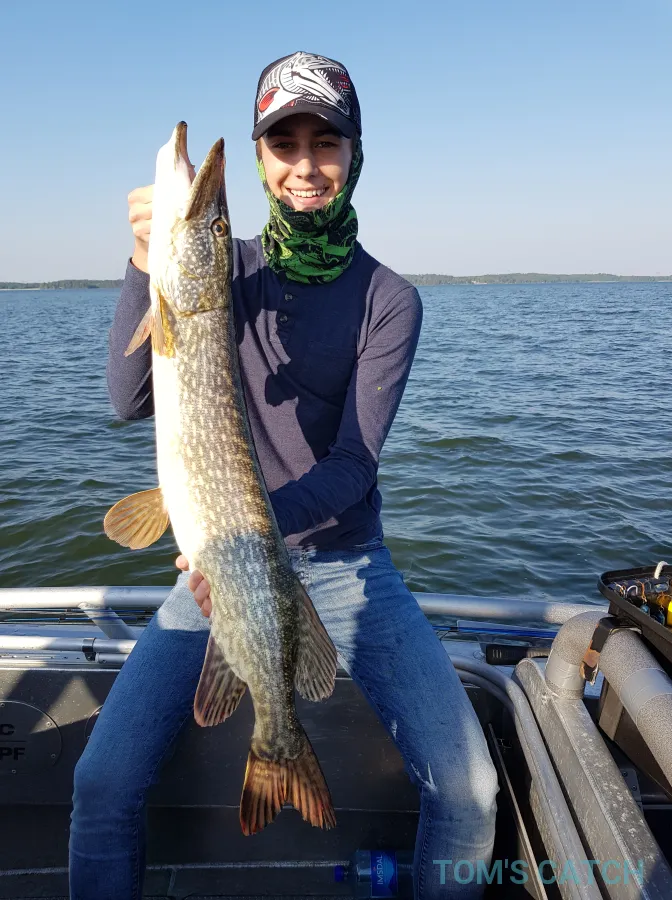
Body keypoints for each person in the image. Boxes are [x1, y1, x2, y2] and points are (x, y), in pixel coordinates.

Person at [69, 51, 498, 899]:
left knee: (470, 791)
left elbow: (352, 466)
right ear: (263, 158)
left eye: (324, 142)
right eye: (283, 144)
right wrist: (145, 259)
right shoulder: (223, 269)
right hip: (219, 562)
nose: (304, 165)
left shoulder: (389, 299)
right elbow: (127, 400)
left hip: (344, 560)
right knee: (100, 783)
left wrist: (238, 538)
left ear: (354, 154)